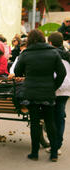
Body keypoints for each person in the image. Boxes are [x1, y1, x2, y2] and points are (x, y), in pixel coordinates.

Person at [14, 29, 66, 162]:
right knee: (50, 122)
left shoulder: (26, 54)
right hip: (48, 92)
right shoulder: (53, 52)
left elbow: (17, 71)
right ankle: (54, 153)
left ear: (30, 40)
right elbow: (62, 73)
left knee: (35, 123)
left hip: (31, 92)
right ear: (44, 38)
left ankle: (34, 153)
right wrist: (54, 86)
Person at [48, 31, 70, 155]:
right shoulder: (67, 54)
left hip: (53, 86)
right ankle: (58, 144)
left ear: (50, 43)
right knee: (60, 116)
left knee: (51, 118)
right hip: (66, 88)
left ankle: (54, 145)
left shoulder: (51, 54)